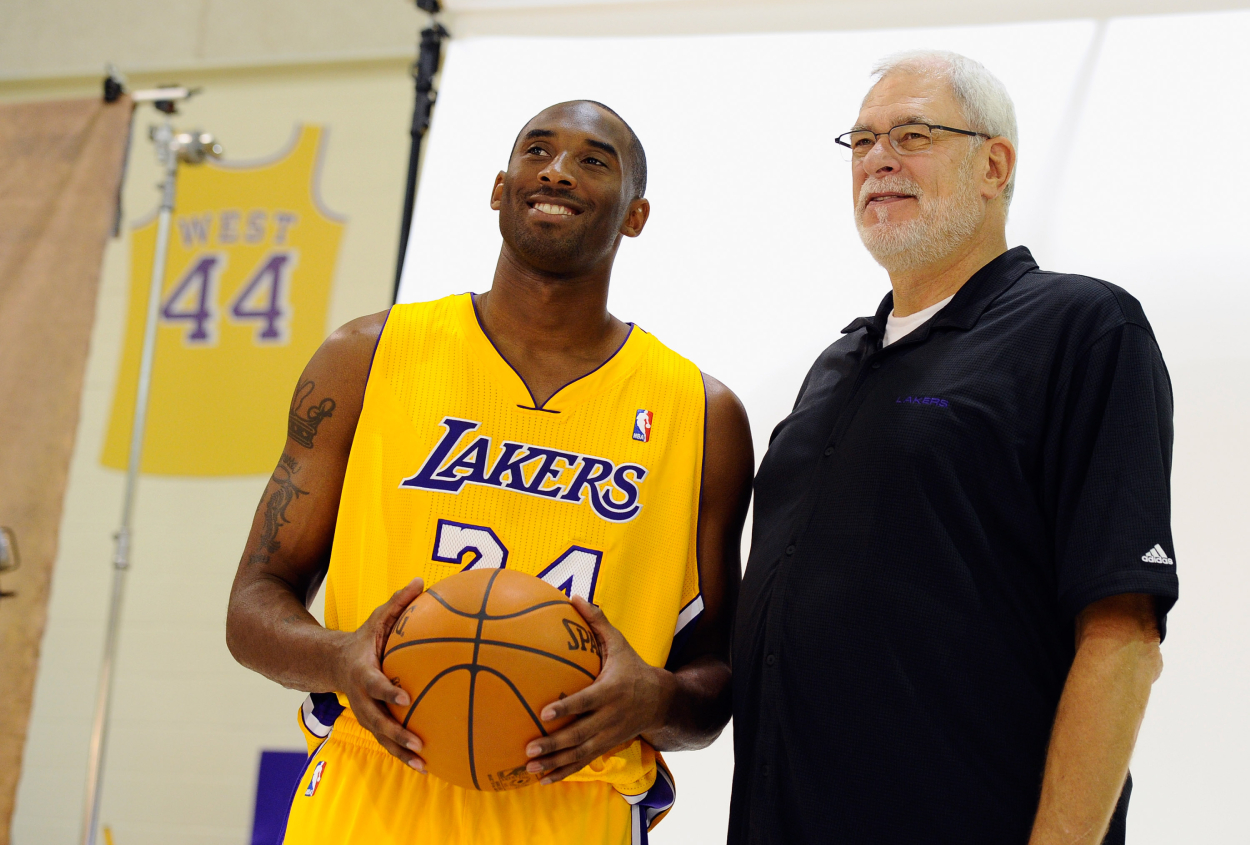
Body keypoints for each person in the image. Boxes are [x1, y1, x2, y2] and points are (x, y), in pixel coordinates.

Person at [226, 100, 754, 845]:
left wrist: (655, 696)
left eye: (593, 160)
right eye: (537, 151)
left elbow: (717, 685)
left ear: (635, 216)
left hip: (574, 800)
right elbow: (252, 605)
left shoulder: (702, 415)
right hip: (372, 783)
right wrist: (339, 658)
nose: (559, 170)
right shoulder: (365, 358)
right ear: (500, 189)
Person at [729, 51, 1177, 845]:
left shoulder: (1081, 328)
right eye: (861, 142)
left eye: (912, 134)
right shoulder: (837, 365)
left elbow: (1122, 637)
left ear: (994, 164)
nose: (878, 160)